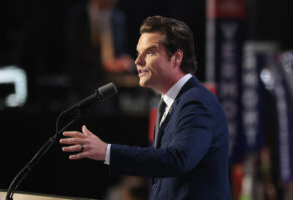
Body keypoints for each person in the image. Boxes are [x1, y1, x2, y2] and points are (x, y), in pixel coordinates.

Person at [60, 16, 232, 200]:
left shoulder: (196, 101)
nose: (137, 61)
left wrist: (108, 151)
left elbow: (177, 159)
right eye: (138, 52)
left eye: (149, 52)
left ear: (176, 58)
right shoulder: (166, 103)